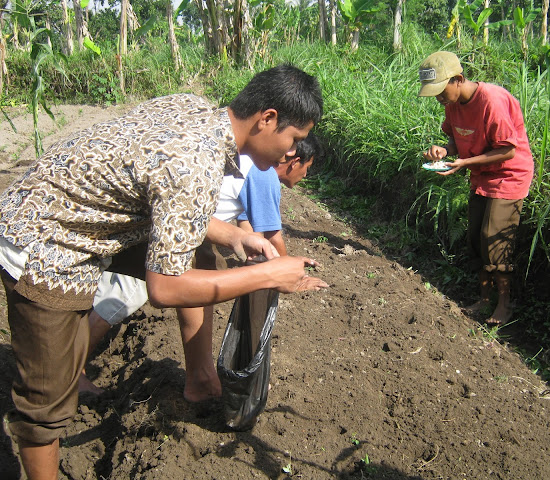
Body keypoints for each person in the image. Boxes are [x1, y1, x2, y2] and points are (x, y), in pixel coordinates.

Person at [0, 64, 327, 480]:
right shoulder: (197, 162)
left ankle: (200, 379)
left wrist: (232, 235)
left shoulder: (190, 108)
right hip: (46, 241)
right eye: (294, 140)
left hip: (82, 213)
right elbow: (165, 289)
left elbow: (164, 195)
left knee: (198, 254)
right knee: (46, 402)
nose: (291, 153)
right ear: (267, 119)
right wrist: (267, 275)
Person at [79, 134, 322, 400]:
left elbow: (246, 224)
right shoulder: (264, 176)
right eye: (307, 168)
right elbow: (273, 236)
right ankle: (72, 373)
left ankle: (200, 378)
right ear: (294, 160)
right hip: (166, 233)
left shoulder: (250, 165)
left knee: (199, 276)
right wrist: (287, 273)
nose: (305, 176)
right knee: (122, 297)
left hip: (187, 233)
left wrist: (253, 256)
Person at [419, 51, 534, 326]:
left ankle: (505, 305)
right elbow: (456, 141)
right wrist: (444, 150)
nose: (439, 98)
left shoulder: (491, 101)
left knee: (494, 238)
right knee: (475, 239)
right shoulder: (453, 104)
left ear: (458, 79)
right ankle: (484, 299)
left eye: (441, 91)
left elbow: (507, 150)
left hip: (509, 175)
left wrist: (464, 163)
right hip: (480, 175)